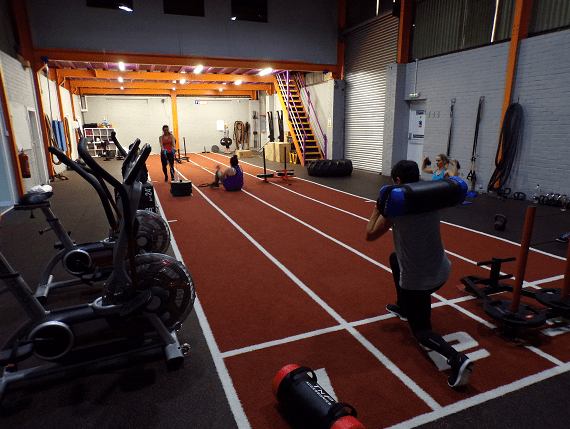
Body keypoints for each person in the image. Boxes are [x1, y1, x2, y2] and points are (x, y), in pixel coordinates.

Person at [366, 159, 474, 388]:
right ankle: (404, 308)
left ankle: (457, 359)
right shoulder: (432, 197)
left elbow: (370, 234)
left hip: (418, 282)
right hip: (442, 270)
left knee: (422, 331)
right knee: (395, 258)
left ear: (397, 181)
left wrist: (377, 207)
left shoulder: (397, 207)